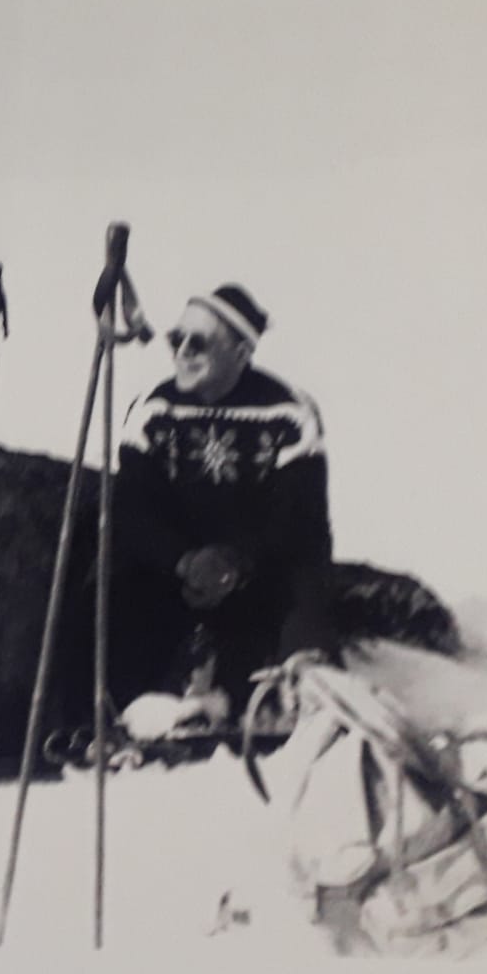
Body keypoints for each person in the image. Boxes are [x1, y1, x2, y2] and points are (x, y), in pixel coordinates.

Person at [109, 284, 335, 735]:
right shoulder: (153, 409)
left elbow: (296, 515)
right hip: (180, 566)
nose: (183, 353)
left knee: (305, 572)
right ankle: (118, 706)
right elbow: (132, 506)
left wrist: (236, 561)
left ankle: (294, 695)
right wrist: (183, 560)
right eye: (178, 339)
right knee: (112, 571)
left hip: (257, 566)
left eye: (200, 342)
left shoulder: (289, 412)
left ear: (241, 351)